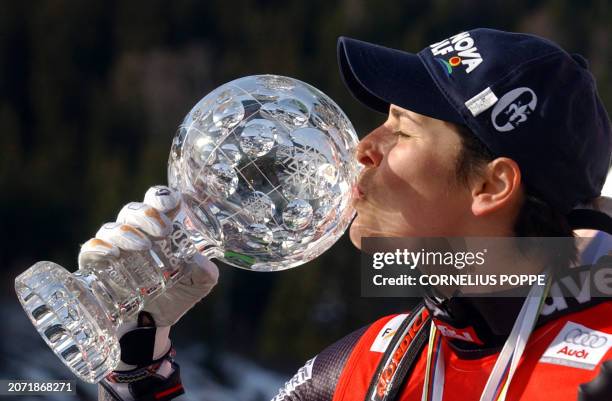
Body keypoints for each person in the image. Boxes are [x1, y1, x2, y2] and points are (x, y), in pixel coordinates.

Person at [88, 28, 612, 401]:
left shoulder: (599, 364)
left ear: (490, 185)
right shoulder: (368, 365)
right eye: (382, 121)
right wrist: (139, 368)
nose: (364, 147)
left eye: (402, 131)